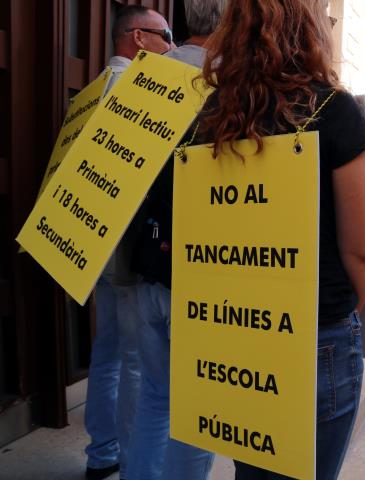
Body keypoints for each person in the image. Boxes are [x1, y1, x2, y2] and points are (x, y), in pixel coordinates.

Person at [135, 1, 365, 478]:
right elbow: (362, 250)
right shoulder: (332, 109)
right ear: (309, 31)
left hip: (233, 333)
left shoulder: (207, 116)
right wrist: (347, 318)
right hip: (315, 334)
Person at [126, 1, 226, 479]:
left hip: (145, 263)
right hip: (202, 274)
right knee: (198, 410)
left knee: (155, 395)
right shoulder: (234, 86)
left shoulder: (141, 79)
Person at [84, 6, 173, 480]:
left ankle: (101, 455)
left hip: (94, 244)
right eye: (166, 35)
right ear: (138, 38)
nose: (172, 46)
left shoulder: (95, 89)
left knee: (107, 352)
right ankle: (133, 465)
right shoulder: (136, 94)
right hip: (128, 249)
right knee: (137, 364)